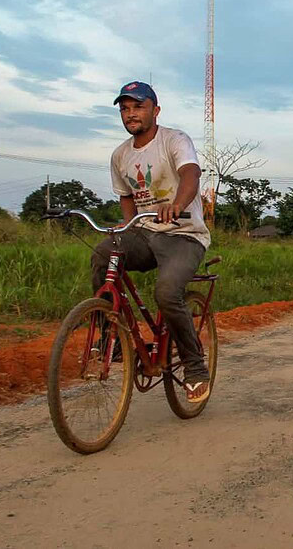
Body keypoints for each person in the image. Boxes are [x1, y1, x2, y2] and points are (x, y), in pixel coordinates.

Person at [90, 81, 213, 403]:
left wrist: (177, 205)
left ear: (155, 111)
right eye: (125, 109)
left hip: (183, 235)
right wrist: (126, 224)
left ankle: (194, 365)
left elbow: (190, 175)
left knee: (167, 293)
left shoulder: (175, 140)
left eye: (138, 107)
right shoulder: (120, 154)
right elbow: (126, 196)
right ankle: (110, 337)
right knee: (104, 253)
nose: (131, 114)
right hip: (145, 234)